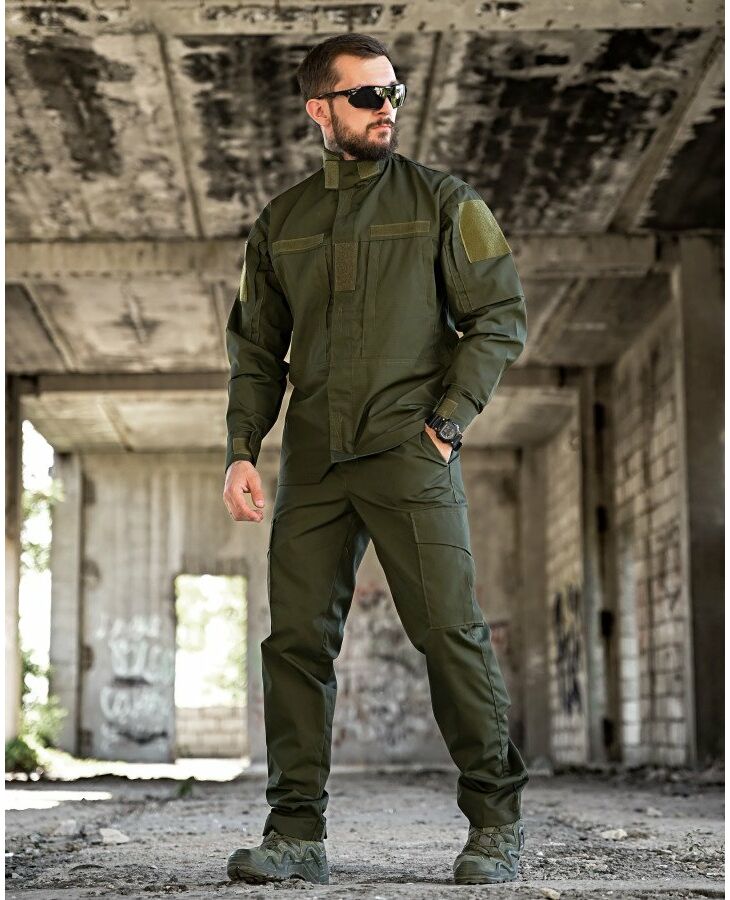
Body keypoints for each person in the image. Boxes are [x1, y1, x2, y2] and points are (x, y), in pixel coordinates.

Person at [222, 32, 529, 887]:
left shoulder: (443, 201)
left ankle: (495, 824)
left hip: (409, 450)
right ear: (319, 108)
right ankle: (296, 835)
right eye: (366, 95)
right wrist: (241, 450)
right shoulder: (281, 223)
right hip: (315, 459)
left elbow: (499, 316)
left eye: (394, 91)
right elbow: (256, 350)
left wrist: (447, 425)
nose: (386, 107)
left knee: (450, 634)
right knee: (295, 644)